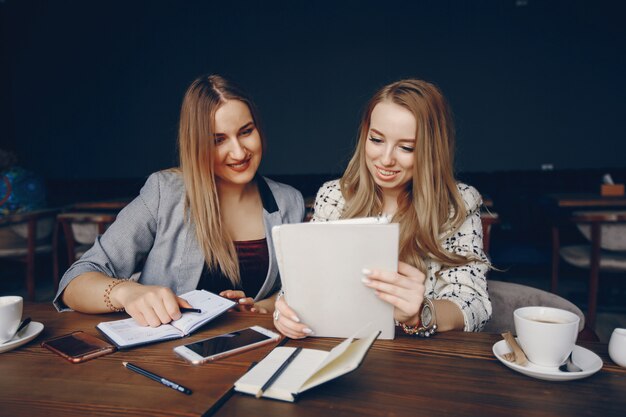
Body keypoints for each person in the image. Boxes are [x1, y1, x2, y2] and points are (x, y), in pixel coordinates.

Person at [54, 75, 305, 327]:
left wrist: (259, 308)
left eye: (246, 132)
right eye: (218, 140)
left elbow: (294, 289)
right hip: (167, 358)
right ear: (196, 144)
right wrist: (126, 292)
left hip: (251, 348)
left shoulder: (289, 201)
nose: (239, 152)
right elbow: (74, 282)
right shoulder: (164, 191)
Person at [274, 79, 491, 339]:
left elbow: (474, 304)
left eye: (406, 147)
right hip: (339, 344)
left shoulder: (458, 204)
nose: (386, 159)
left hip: (419, 359)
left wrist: (421, 312)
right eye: (376, 140)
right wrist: (284, 310)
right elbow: (304, 281)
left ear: (431, 150)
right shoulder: (334, 196)